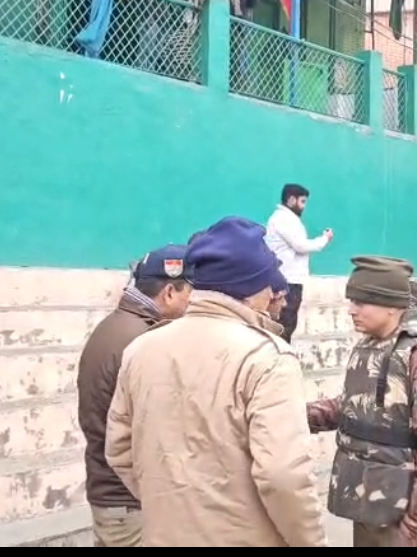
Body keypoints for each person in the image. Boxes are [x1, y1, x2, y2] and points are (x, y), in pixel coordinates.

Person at [105, 217, 327, 547]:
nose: (272, 294)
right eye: (268, 284)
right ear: (251, 288)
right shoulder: (267, 358)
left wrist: (171, 504)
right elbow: (283, 476)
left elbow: (119, 448)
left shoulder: (142, 348)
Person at [306, 256, 417, 547]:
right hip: (367, 498)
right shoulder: (371, 344)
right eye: (351, 301)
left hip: (402, 510)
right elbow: (357, 405)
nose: (351, 310)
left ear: (391, 305)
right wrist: (298, 415)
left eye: (361, 302)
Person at [79, 245, 194, 548]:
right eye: (190, 293)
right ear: (169, 292)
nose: (191, 303)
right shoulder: (143, 340)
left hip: (112, 492)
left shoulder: (117, 326)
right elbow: (157, 429)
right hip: (128, 497)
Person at [265, 184, 333, 343]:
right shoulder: (284, 219)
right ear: (291, 200)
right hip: (287, 281)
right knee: (284, 325)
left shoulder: (285, 219)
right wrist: (324, 239)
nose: (304, 206)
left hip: (288, 280)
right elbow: (300, 246)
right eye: (302, 201)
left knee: (286, 324)